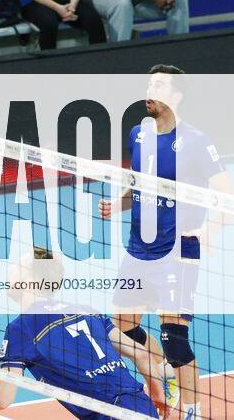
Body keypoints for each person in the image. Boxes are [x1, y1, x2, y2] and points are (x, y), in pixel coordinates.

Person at [97, 65, 234, 420]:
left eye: (158, 85)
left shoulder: (198, 141)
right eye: (148, 83)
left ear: (176, 96)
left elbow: (227, 196)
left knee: (174, 336)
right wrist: (119, 202)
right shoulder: (138, 134)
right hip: (138, 248)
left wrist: (209, 231)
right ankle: (164, 373)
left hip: (178, 252)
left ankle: (191, 409)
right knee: (121, 327)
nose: (149, 89)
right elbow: (139, 183)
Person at [0, 249, 166, 419]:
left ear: (29, 280)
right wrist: (158, 397)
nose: (10, 271)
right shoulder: (86, 310)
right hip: (142, 407)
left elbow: (2, 398)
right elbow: (141, 354)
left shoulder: (22, 328)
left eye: (17, 268)